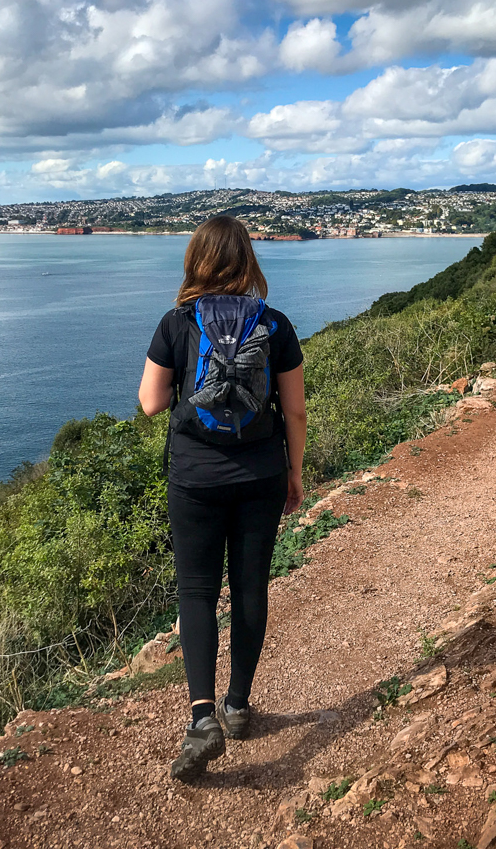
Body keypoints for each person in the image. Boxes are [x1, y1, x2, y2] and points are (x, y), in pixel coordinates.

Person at [138, 215, 306, 781]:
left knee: (197, 591)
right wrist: (296, 472)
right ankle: (238, 705)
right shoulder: (276, 325)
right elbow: (297, 410)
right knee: (250, 587)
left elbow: (150, 403)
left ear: (196, 260)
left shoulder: (177, 322)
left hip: (195, 476)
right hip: (260, 473)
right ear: (248, 260)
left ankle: (202, 716)